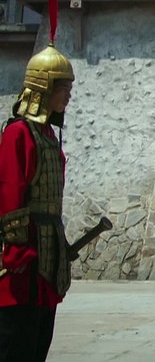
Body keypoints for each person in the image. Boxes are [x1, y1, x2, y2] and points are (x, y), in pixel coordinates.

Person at [0, 42, 74, 362]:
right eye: (63, 88)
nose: (68, 95)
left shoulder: (48, 135)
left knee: (38, 341)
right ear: (44, 87)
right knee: (15, 342)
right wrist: (17, 247)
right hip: (23, 257)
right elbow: (10, 191)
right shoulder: (19, 133)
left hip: (47, 254)